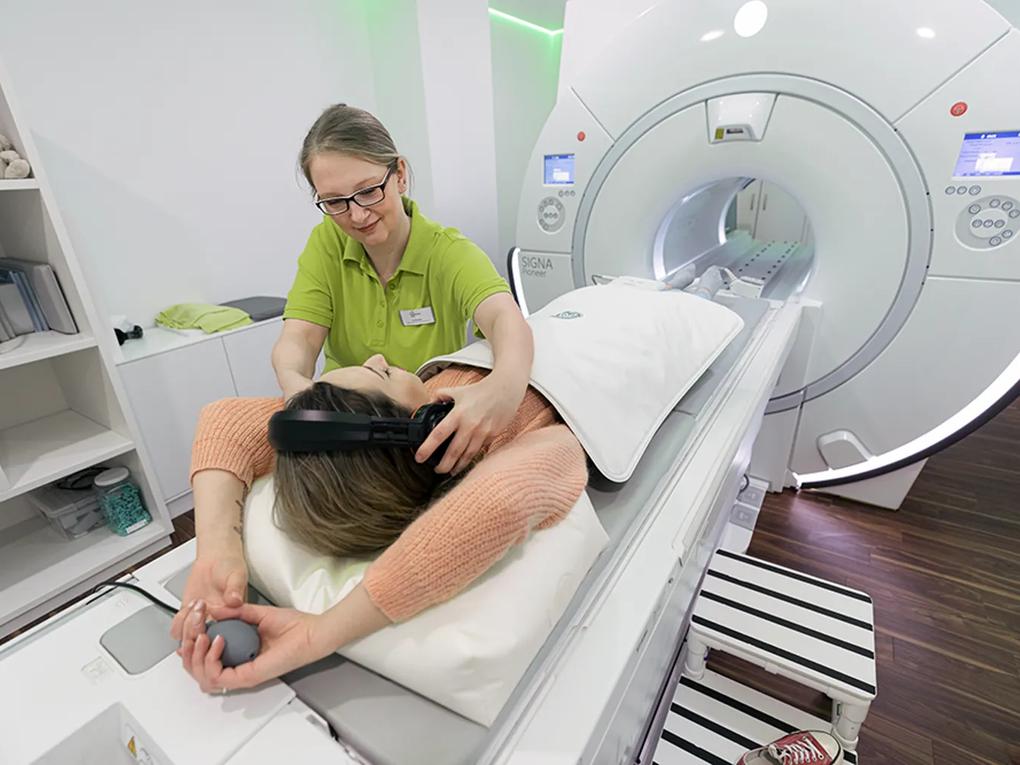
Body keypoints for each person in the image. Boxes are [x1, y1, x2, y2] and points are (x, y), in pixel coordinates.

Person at [174, 354, 589, 694]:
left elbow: (224, 417)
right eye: (383, 373)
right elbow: (499, 498)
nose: (378, 356)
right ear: (426, 428)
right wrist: (321, 633)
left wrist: (215, 550)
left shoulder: (412, 420)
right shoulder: (525, 445)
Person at [273, 103, 533, 475]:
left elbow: (505, 319)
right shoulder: (327, 242)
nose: (357, 215)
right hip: (342, 422)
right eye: (334, 202)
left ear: (399, 174)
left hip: (410, 421)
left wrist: (504, 389)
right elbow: (298, 337)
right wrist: (297, 390)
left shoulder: (446, 252)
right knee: (224, 419)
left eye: (368, 192)